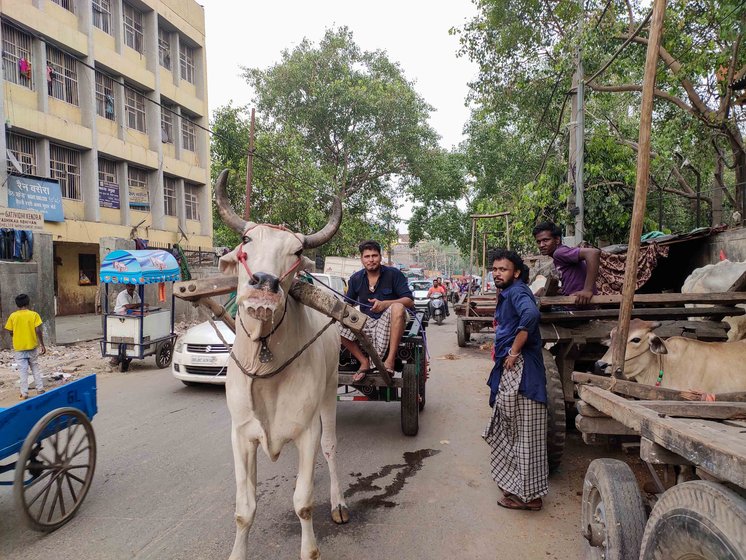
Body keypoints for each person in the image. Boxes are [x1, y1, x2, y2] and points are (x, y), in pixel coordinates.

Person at [483, 249, 547, 511]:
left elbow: (530, 315)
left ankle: (530, 498)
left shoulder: (518, 292)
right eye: (495, 269)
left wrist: (513, 351)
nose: (498, 273)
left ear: (516, 272)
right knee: (513, 431)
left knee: (524, 436)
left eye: (504, 269)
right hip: (515, 371)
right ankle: (518, 488)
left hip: (523, 373)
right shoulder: (509, 293)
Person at [340, 240, 414, 382]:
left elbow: (409, 301)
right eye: (367, 256)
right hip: (366, 324)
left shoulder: (394, 274)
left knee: (398, 307)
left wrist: (385, 304)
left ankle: (390, 360)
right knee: (339, 320)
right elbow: (347, 304)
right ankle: (364, 362)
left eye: (374, 255)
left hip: (389, 322)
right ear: (362, 259)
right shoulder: (355, 279)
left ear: (380, 257)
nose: (371, 260)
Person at [533, 221, 601, 305]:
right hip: (575, 302)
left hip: (578, 306)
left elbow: (593, 253)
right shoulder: (558, 258)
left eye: (545, 240)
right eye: (538, 242)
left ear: (557, 240)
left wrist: (587, 290)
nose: (541, 245)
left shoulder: (559, 253)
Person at [4, 293, 46, 400]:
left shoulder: (13, 316)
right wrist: (42, 344)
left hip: (19, 348)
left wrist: (14, 335)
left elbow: (9, 330)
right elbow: (38, 330)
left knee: (23, 371)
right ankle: (40, 389)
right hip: (32, 346)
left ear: (17, 304)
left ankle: (24, 393)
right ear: (28, 303)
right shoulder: (34, 315)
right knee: (35, 367)